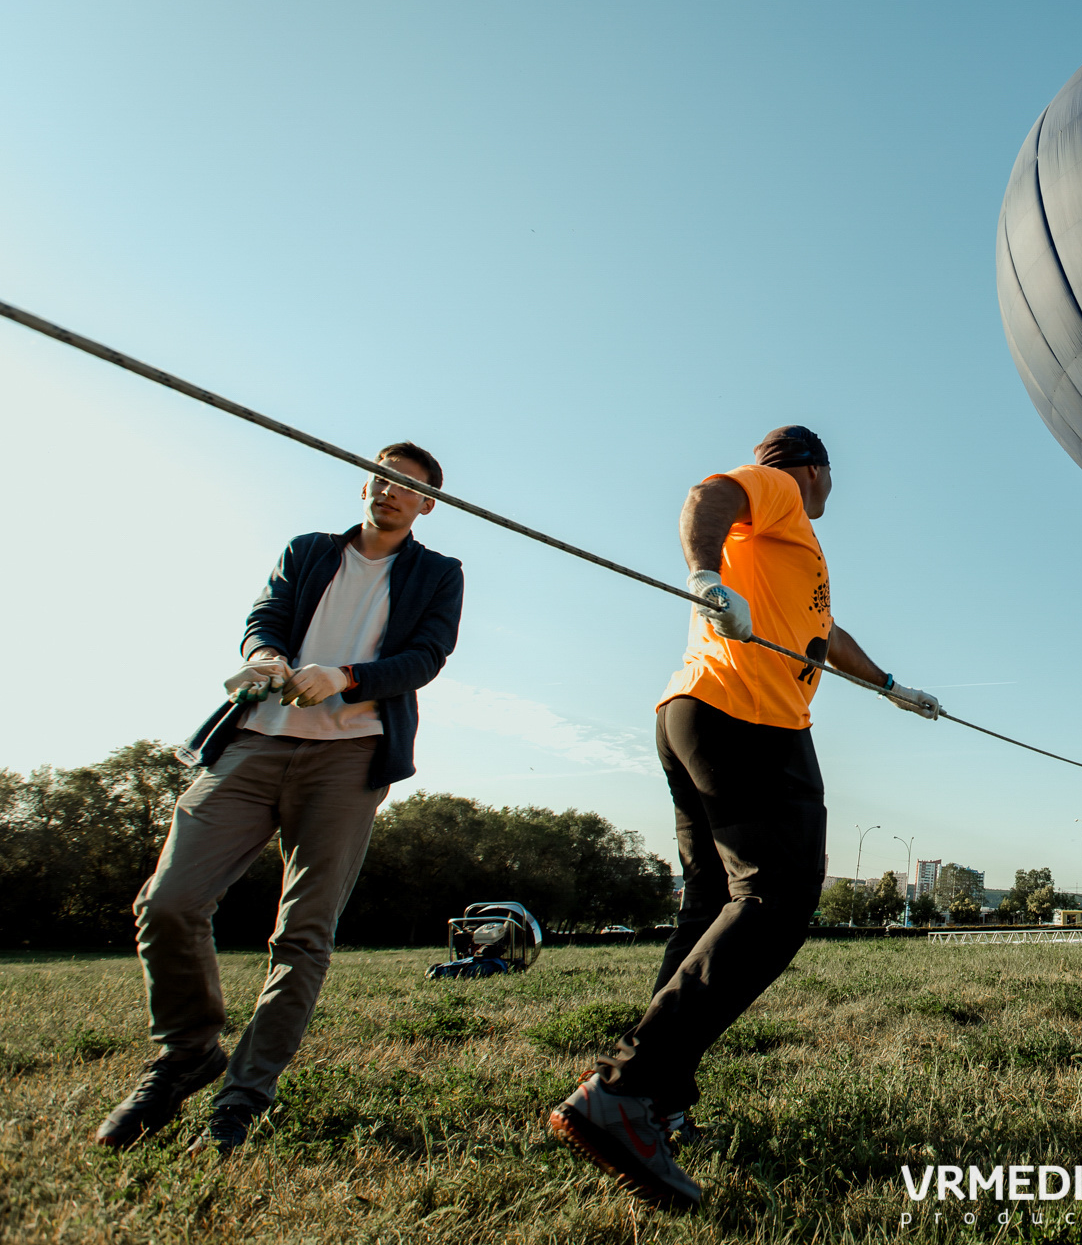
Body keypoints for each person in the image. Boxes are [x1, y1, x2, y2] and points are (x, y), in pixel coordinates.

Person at [548, 425, 936, 1210]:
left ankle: (656, 1099)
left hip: (689, 712)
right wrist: (700, 575)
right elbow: (708, 495)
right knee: (779, 898)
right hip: (750, 718)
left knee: (711, 907)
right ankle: (623, 1093)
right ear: (818, 471)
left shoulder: (790, 557)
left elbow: (822, 639)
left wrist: (890, 683)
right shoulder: (782, 492)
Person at [93, 444, 464, 1156]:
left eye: (408, 488)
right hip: (256, 742)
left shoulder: (438, 573)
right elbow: (264, 618)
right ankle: (187, 1053)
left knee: (301, 935)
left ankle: (242, 1098)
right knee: (167, 902)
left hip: (350, 755)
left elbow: (427, 657)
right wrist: (265, 655)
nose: (390, 493)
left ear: (427, 506)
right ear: (365, 485)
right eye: (382, 479)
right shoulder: (309, 550)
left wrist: (346, 677)